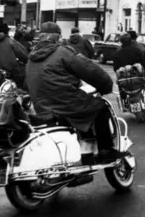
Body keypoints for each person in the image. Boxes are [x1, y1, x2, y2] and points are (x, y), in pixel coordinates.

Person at [25, 22, 128, 165]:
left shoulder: (31, 57)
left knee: (84, 106)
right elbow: (90, 70)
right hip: (64, 105)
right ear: (58, 37)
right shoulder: (63, 52)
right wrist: (106, 86)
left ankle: (85, 152)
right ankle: (106, 151)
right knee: (100, 107)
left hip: (41, 107)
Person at [0, 23, 29, 88]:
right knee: (22, 77)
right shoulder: (10, 41)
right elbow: (22, 54)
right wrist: (27, 61)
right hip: (10, 71)